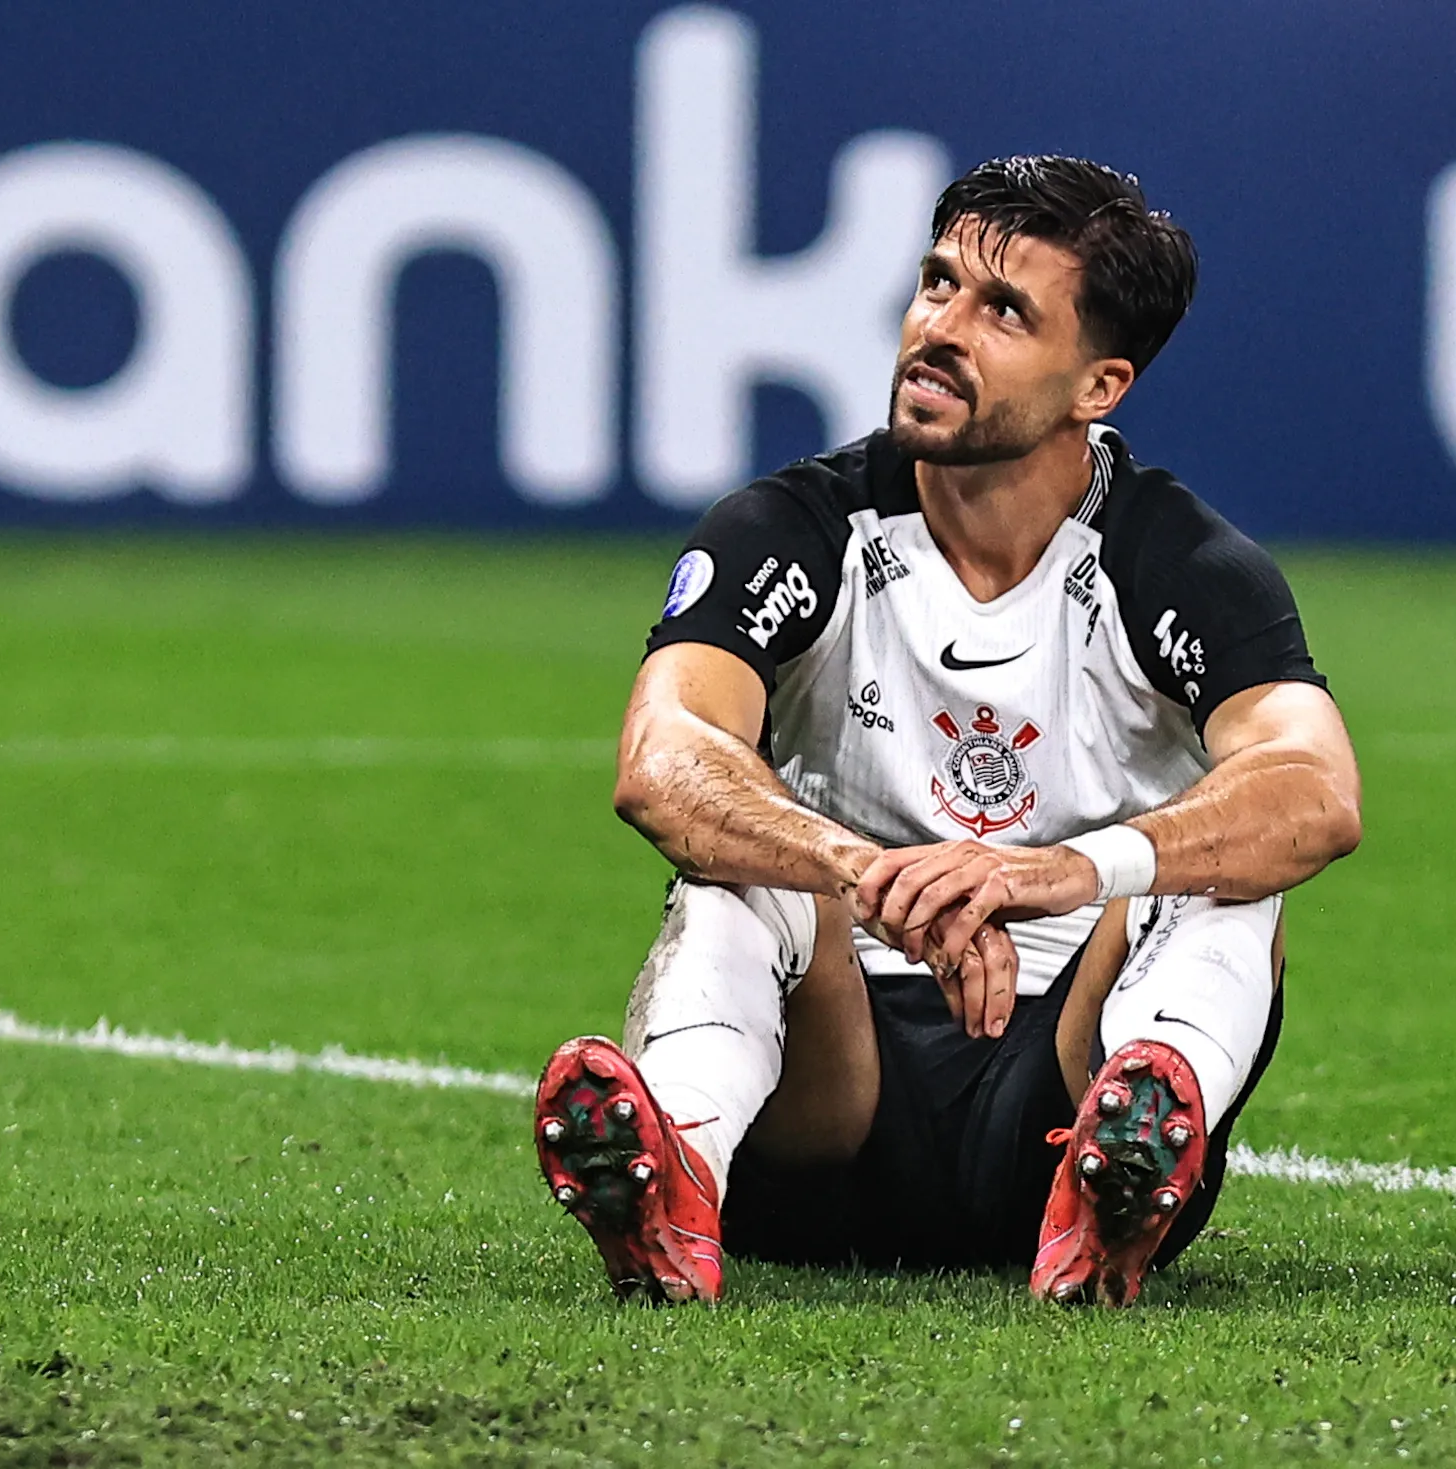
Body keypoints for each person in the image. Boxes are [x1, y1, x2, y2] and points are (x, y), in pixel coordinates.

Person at [532, 155, 1361, 1308]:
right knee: (738, 853)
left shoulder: (1179, 561)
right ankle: (678, 1168)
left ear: (1097, 385)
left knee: (1232, 866)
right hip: (825, 1110)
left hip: (1065, 1095)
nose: (939, 328)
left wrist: (1064, 870)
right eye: (936, 284)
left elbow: (1315, 791)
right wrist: (864, 869)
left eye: (1003, 309)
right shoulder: (796, 527)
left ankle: (1130, 1151)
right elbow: (661, 759)